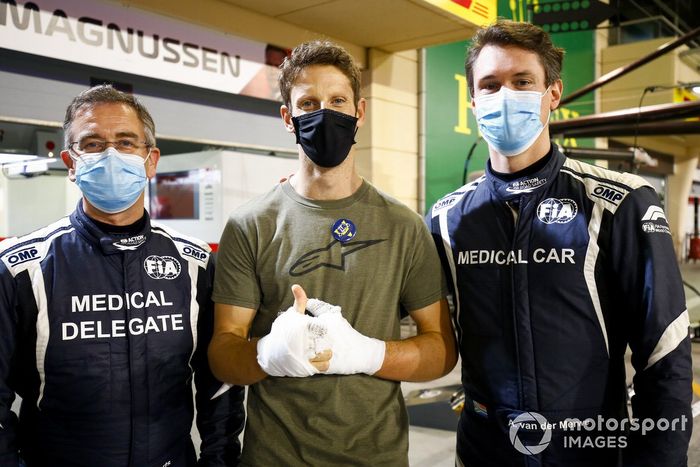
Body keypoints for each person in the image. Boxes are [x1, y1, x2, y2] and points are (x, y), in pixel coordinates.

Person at [427, 20, 692, 466]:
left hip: (588, 448)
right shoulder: (447, 218)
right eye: (489, 85)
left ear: (553, 93)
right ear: (473, 101)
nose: (504, 96)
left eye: (522, 81)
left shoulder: (619, 202)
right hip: (485, 448)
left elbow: (664, 352)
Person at [208, 40, 457, 466]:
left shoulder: (403, 226)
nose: (324, 112)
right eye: (308, 102)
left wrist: (367, 352)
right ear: (288, 117)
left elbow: (441, 352)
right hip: (274, 456)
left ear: (359, 111)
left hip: (377, 456)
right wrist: (271, 351)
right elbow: (223, 356)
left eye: (337, 100)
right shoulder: (249, 224)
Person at [0, 85, 244, 466]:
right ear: (70, 162)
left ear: (151, 160)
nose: (111, 154)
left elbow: (218, 385)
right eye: (92, 144)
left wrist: (219, 461)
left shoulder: (194, 265)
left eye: (126, 142)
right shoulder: (20, 269)